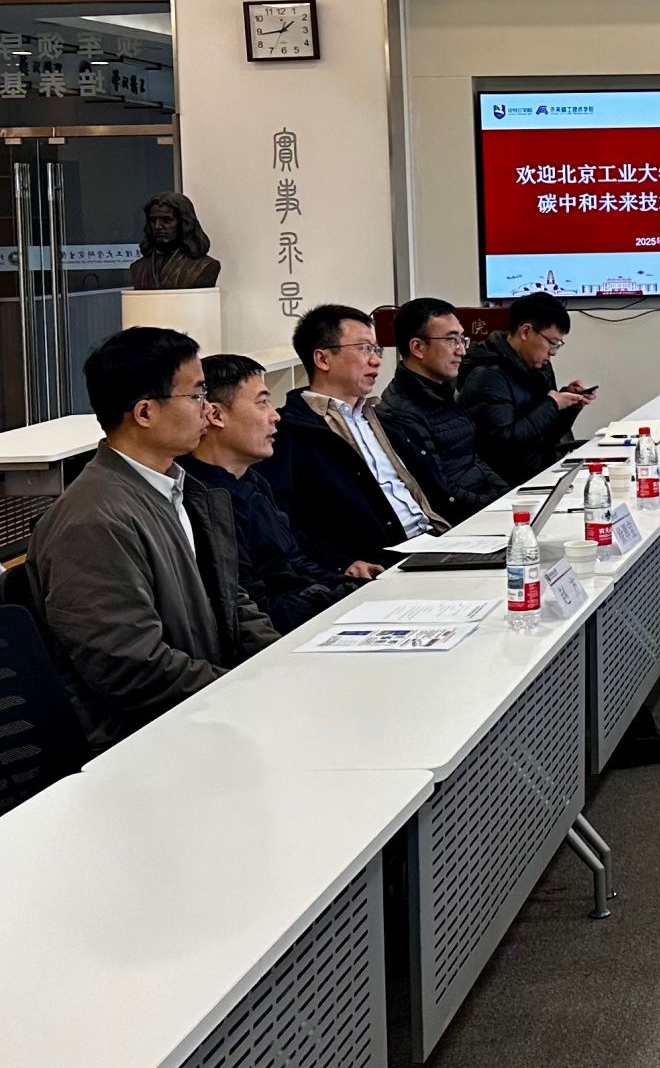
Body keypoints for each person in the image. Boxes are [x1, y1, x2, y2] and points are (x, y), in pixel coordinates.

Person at [12, 327, 275, 747]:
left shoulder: (179, 489)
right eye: (196, 395)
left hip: (205, 713)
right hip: (150, 741)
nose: (208, 409)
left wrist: (280, 664)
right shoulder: (93, 521)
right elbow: (131, 668)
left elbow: (230, 600)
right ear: (145, 413)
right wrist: (242, 691)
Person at [258, 304, 450, 573]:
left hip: (439, 539)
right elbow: (285, 524)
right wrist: (339, 564)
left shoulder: (385, 420)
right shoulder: (290, 434)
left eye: (377, 350)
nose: (376, 361)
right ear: (323, 359)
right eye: (364, 349)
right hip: (385, 563)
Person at [181, 354, 364, 632]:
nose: (275, 415)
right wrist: (339, 595)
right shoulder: (203, 502)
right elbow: (257, 607)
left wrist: (349, 583)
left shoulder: (252, 480)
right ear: (215, 415)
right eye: (262, 402)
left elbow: (294, 562)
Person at [380, 297, 511, 518]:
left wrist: (508, 496)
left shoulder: (443, 392)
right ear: (417, 347)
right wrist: (497, 508)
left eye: (462, 340)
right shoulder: (401, 412)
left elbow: (472, 459)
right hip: (461, 522)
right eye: (452, 340)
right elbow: (441, 494)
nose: (462, 351)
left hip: (484, 510)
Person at [458, 291, 593, 484]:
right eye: (552, 343)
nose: (553, 353)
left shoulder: (539, 367)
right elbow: (502, 448)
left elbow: (548, 435)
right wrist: (552, 404)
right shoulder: (488, 376)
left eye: (558, 345)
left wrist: (569, 403)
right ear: (526, 332)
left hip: (544, 471)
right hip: (511, 484)